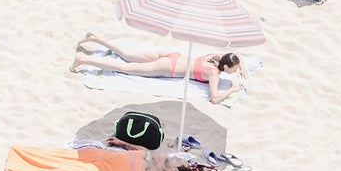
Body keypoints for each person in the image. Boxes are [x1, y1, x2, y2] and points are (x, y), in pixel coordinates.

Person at [72, 35, 244, 103]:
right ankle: (84, 59)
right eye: (234, 69)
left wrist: (241, 65)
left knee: (127, 54)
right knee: (125, 67)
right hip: (169, 67)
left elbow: (235, 55)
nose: (235, 71)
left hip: (173, 55)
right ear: (226, 67)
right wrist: (233, 89)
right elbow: (214, 99)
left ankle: (95, 38)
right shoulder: (214, 73)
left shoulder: (214, 57)